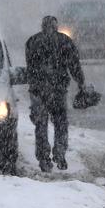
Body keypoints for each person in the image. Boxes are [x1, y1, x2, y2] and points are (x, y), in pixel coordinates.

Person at [24, 14, 85, 173]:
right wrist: (80, 83)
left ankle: (44, 158)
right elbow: (74, 64)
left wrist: (36, 82)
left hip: (39, 91)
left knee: (41, 125)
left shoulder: (33, 41)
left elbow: (30, 66)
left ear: (42, 26)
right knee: (60, 123)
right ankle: (59, 153)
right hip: (58, 90)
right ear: (56, 26)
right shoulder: (64, 41)